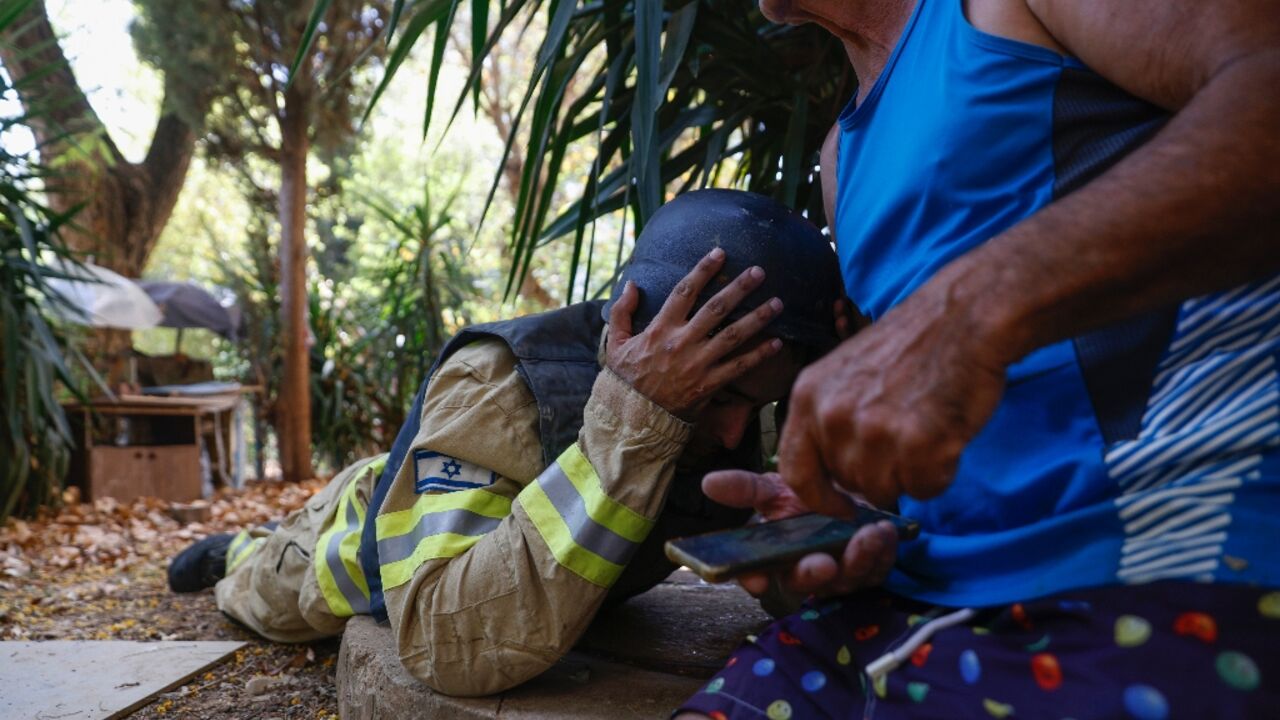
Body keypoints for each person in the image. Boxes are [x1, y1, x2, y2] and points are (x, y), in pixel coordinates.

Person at [678, 1, 1279, 718]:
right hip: (912, 607)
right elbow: (947, 404)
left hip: (1164, 561)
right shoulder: (842, 159)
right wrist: (852, 518)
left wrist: (970, 306)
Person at [168, 189, 847, 697]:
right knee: (268, 591)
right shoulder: (497, 385)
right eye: (718, 399)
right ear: (632, 333)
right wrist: (639, 418)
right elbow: (443, 642)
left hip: (476, 497)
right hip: (356, 539)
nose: (735, 436)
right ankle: (239, 549)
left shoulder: (752, 401)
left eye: (756, 405)